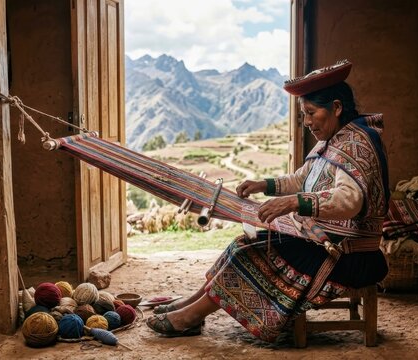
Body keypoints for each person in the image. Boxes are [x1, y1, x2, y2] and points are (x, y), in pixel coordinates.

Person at [146, 60, 389, 342]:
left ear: (336, 107)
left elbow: (349, 202)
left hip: (350, 256)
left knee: (252, 256)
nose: (307, 122)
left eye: (311, 113)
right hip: (325, 242)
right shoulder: (332, 142)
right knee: (242, 245)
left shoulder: (359, 143)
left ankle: (189, 318)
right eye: (303, 115)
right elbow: (301, 179)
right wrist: (264, 185)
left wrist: (293, 203)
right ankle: (189, 305)